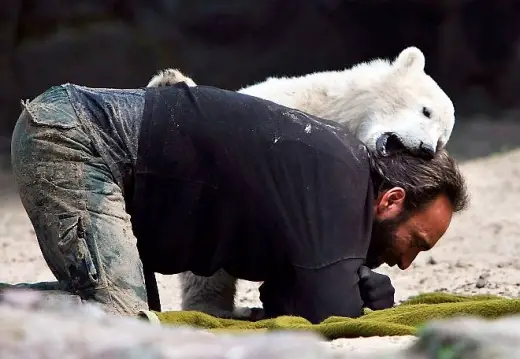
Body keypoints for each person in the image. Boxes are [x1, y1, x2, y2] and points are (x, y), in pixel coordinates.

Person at [10, 82, 469, 324]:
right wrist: (362, 300)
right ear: (391, 200)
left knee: (134, 311)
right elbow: (327, 312)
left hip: (85, 140)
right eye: (416, 243)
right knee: (121, 323)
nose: (406, 263)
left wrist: (365, 287)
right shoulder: (340, 177)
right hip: (79, 140)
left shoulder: (329, 187)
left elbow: (289, 298)